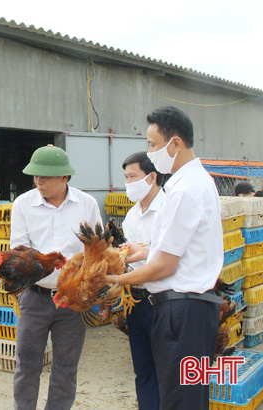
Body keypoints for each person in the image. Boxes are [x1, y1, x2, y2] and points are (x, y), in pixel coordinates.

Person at [106, 106, 223, 409]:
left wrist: (115, 279)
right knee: (190, 396)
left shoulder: (184, 190)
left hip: (182, 312)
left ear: (175, 144)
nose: (150, 151)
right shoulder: (196, 182)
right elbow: (169, 250)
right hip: (192, 311)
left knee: (179, 400)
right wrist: (141, 252)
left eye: (153, 145)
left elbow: (164, 265)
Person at [11, 144, 102, 410]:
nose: (38, 181)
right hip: (35, 296)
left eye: (46, 176)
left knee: (66, 365)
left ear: (64, 177)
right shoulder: (23, 204)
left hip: (73, 300)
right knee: (27, 364)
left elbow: (95, 250)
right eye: (35, 175)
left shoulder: (87, 204)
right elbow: (19, 248)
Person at [120, 151, 165, 410]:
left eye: (133, 176)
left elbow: (168, 255)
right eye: (125, 177)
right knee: (143, 367)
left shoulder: (169, 208)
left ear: (151, 177)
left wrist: (144, 251)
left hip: (162, 299)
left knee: (168, 367)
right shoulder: (132, 216)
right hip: (135, 300)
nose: (128, 182)